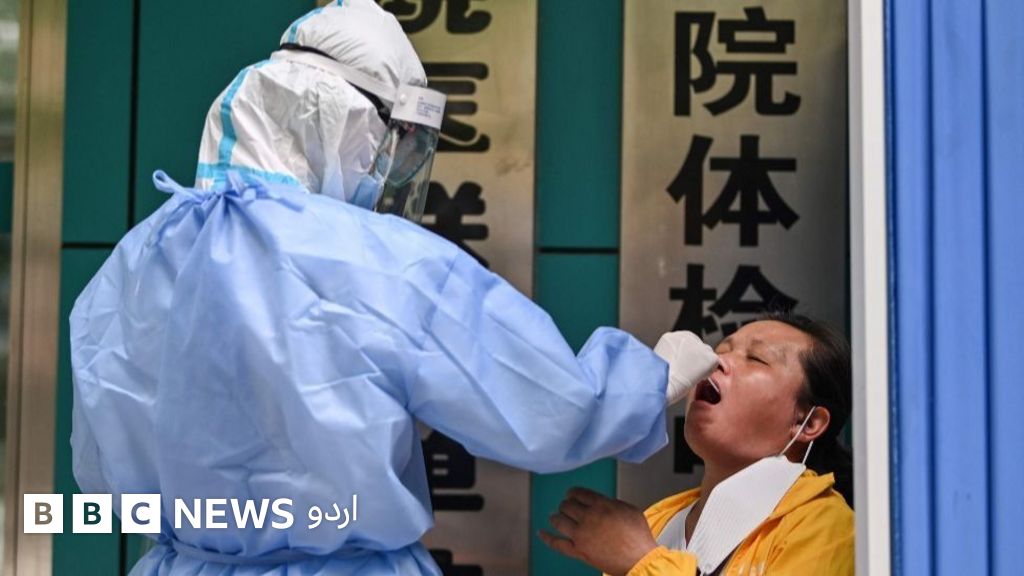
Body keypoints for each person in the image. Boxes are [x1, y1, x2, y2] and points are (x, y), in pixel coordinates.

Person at [69, 2, 719, 575]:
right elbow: (544, 406)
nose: (386, 169)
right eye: (389, 145)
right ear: (351, 125)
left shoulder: (136, 258)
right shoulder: (377, 259)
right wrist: (646, 382)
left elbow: (99, 468)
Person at [541, 313, 855, 575]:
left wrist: (644, 562)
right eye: (720, 349)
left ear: (807, 423)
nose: (716, 361)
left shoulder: (826, 526)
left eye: (756, 359)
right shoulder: (657, 520)